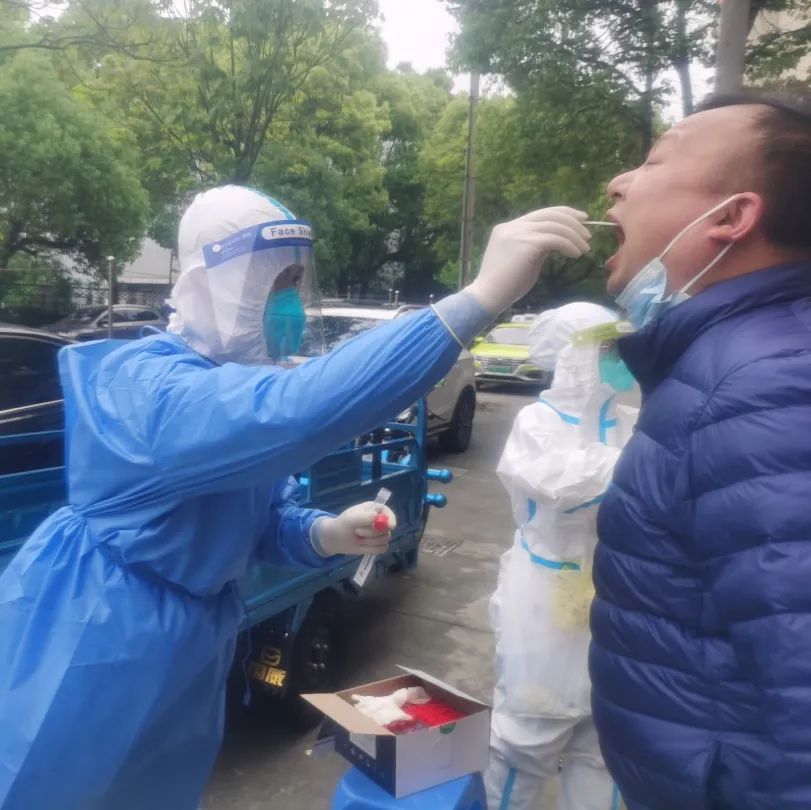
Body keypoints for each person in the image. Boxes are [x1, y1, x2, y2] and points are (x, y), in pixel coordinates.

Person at [0, 185, 593, 810]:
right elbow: (292, 413)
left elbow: (259, 515)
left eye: (295, 282)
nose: (288, 303)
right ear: (216, 280)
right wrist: (477, 300)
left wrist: (322, 533)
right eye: (274, 282)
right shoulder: (141, 384)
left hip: (194, 635)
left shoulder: (225, 385)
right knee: (41, 784)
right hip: (94, 623)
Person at [591, 91, 811, 809]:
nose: (617, 183)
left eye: (654, 161)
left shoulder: (764, 390)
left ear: (730, 217)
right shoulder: (740, 366)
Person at [485, 303, 639, 810]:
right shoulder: (539, 421)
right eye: (605, 347)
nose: (617, 357)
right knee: (526, 738)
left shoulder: (630, 421)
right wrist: (640, 463)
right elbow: (562, 483)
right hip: (546, 601)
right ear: (573, 355)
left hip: (615, 593)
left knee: (605, 745)